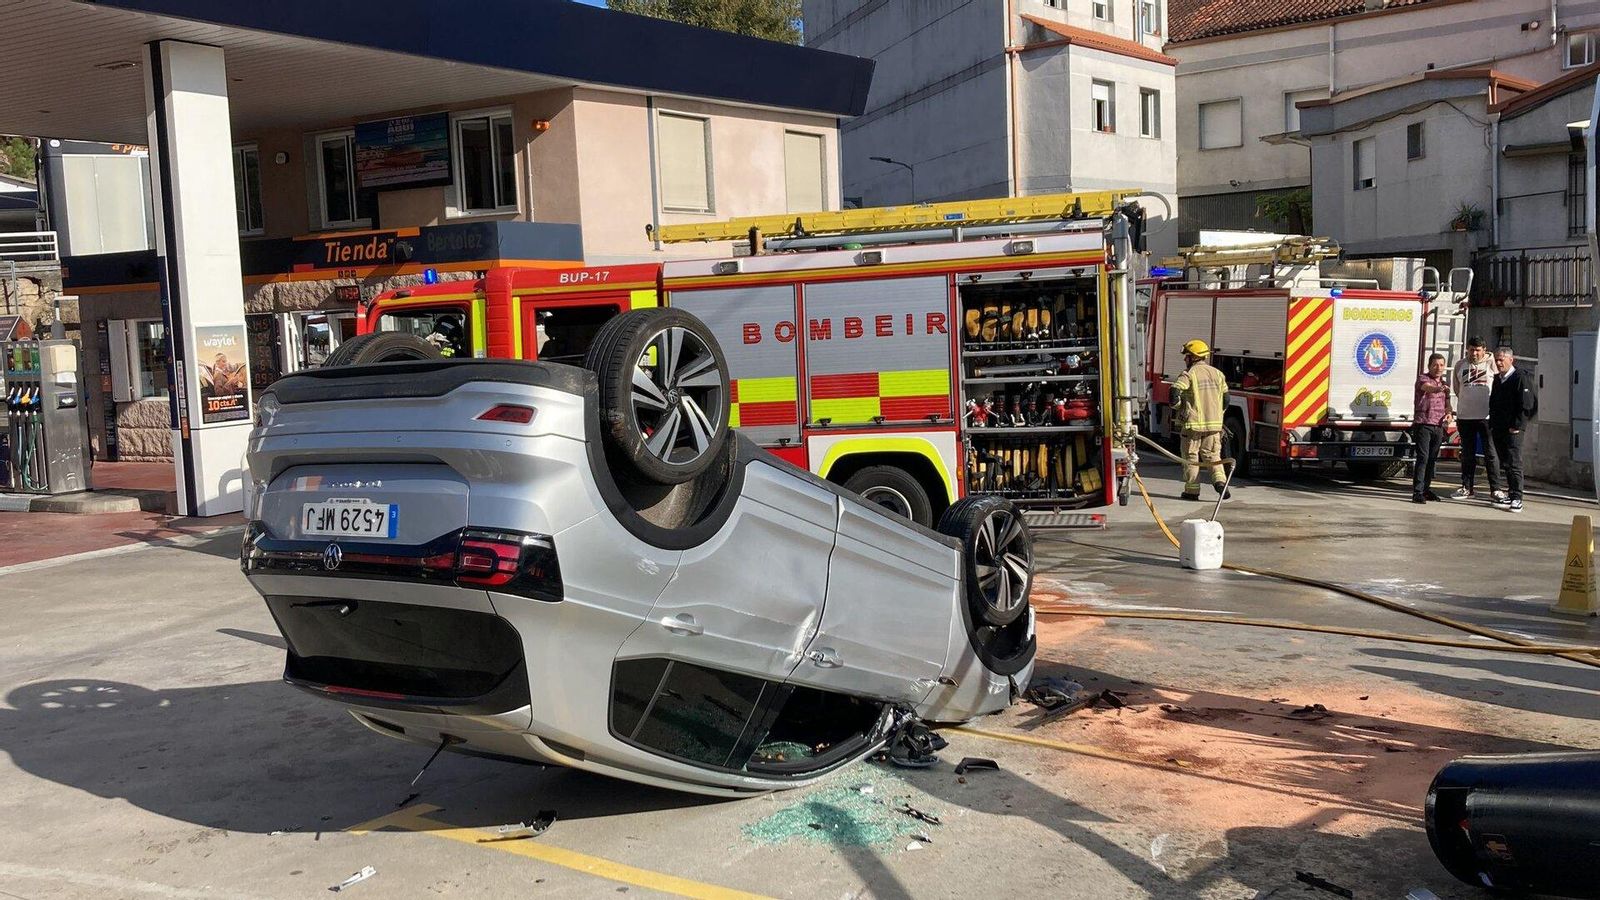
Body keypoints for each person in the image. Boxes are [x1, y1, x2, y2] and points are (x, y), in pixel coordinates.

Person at [1170, 339, 1231, 501]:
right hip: (1214, 426)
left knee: (1191, 458)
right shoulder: (1218, 374)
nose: (1185, 359)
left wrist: (1178, 407)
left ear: (1193, 357)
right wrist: (1218, 414)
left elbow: (1174, 393)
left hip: (1193, 427)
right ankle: (1221, 484)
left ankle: (1192, 491)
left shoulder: (1188, 375)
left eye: (1187, 356)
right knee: (1213, 457)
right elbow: (1226, 399)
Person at [1488, 346, 1537, 513]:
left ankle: (1517, 497)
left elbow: (1528, 404)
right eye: (1497, 359)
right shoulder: (1498, 379)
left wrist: (1518, 425)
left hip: (1513, 430)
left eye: (1502, 359)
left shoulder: (1520, 377)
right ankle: (1511, 493)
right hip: (1499, 427)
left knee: (1514, 462)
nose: (1499, 363)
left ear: (1511, 360)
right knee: (1506, 463)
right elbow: (1494, 402)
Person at [1451, 337, 1500, 501]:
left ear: (1484, 350)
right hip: (1465, 416)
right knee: (1467, 454)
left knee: (1490, 454)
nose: (1474, 353)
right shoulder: (1460, 365)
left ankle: (1495, 489)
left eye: (1478, 350)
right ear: (1467, 349)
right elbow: (1457, 389)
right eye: (1472, 349)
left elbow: (1499, 386)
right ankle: (1467, 487)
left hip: (1486, 417)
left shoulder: (1491, 364)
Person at [1411, 353, 1451, 503]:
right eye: (1435, 365)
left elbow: (1448, 405)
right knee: (1423, 457)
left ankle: (1427, 489)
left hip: (1438, 425)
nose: (1438, 368)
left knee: (1432, 459)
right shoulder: (1423, 379)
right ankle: (1418, 491)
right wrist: (1439, 388)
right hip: (1424, 424)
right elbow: (1428, 388)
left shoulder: (1445, 384)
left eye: (1441, 365)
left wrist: (1448, 414)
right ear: (1429, 366)